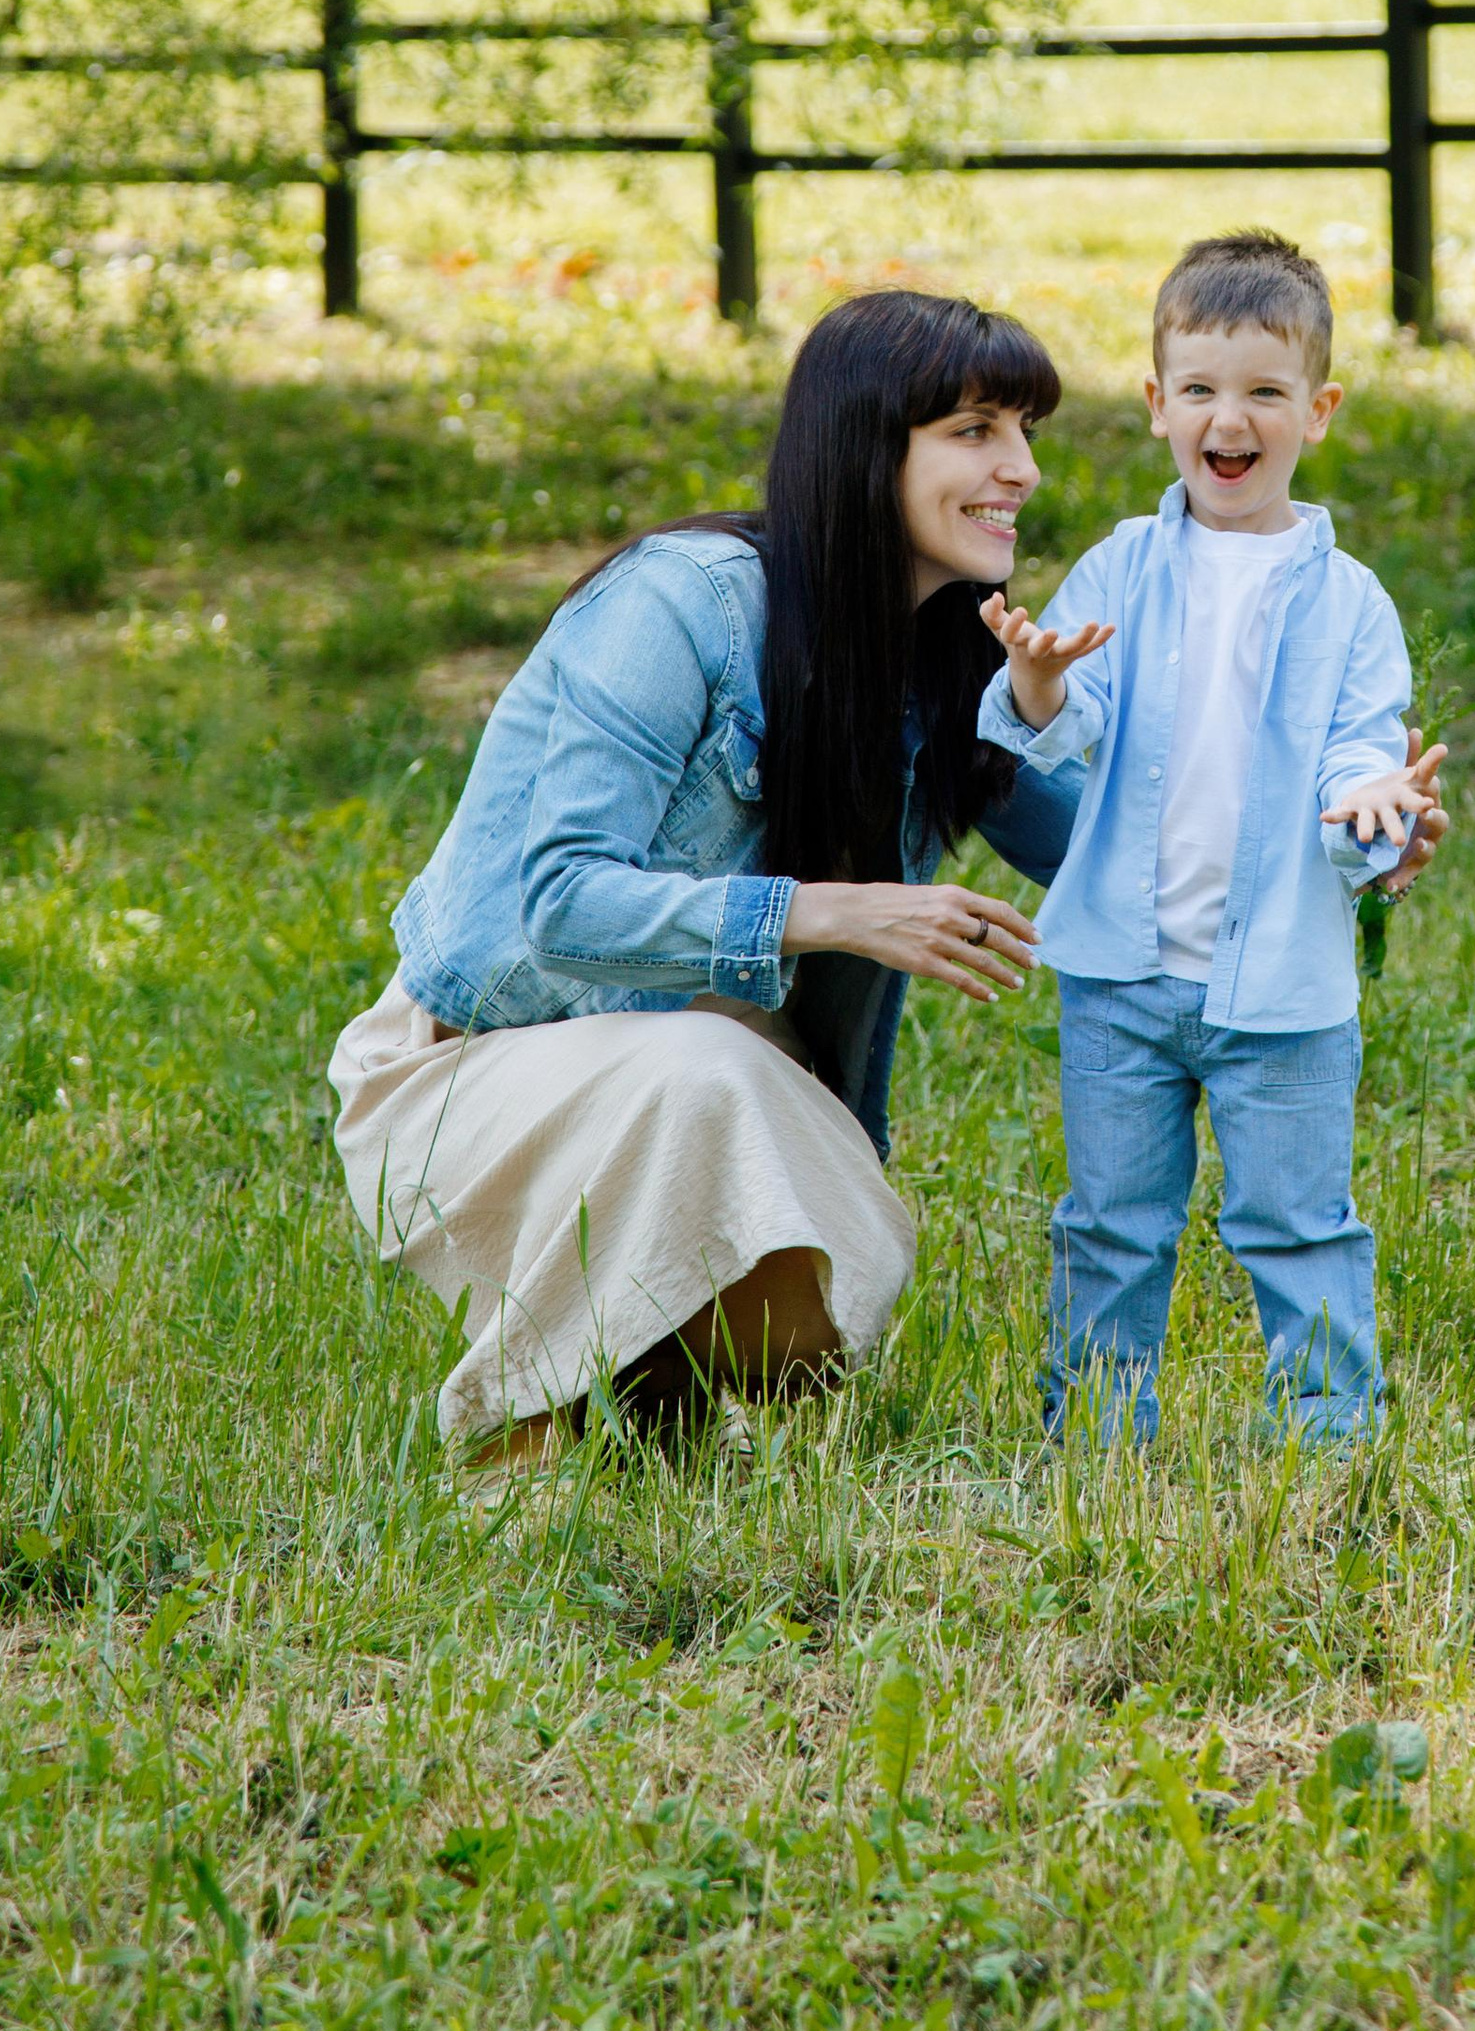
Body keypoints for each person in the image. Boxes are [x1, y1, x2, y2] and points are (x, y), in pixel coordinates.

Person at [326, 289, 1079, 1464]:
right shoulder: (685, 602)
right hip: (464, 1073)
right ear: (867, 445)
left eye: (1026, 431)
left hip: (706, 1084)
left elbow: (1112, 855)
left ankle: (646, 1379)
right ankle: (510, 1434)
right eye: (976, 430)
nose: (1021, 468)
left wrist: (1350, 834)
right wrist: (831, 913)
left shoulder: (957, 657)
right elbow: (563, 902)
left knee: (810, 1313)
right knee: (707, 1067)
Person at [977, 230, 1444, 1446]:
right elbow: (1062, 718)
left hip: (1281, 987)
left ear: (1318, 410)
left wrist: (1369, 804)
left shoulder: (1349, 600)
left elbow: (1356, 744)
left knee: (1298, 1222)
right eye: (1199, 389)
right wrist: (1033, 680)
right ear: (1155, 406)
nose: (1227, 419)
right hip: (1120, 976)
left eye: (1262, 393)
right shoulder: (1121, 570)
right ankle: (1092, 1435)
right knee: (1110, 1221)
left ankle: (1330, 1434)